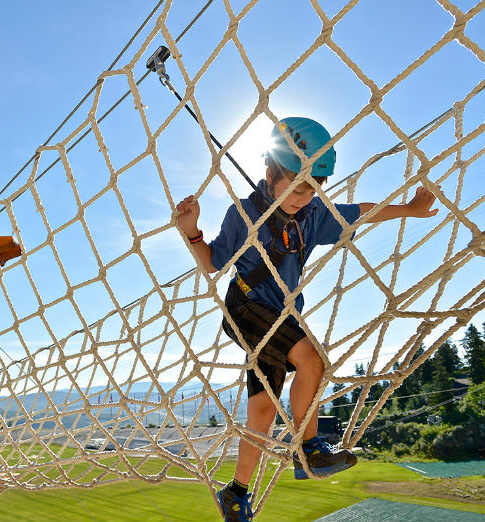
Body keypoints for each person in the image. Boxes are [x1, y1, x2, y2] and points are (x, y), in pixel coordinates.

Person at [175, 117, 439, 521]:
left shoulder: (313, 215)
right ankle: (309, 450)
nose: (305, 196)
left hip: (278, 314)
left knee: (262, 409)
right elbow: (214, 263)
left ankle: (236, 492)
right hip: (245, 307)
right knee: (311, 360)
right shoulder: (244, 213)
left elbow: (361, 212)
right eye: (298, 186)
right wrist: (191, 230)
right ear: (269, 175)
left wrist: (410, 209)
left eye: (314, 187)